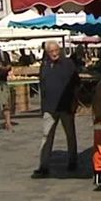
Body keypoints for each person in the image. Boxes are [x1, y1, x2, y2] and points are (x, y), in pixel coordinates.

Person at [32, 41, 79, 178]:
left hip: (65, 106)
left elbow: (76, 84)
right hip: (49, 107)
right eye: (51, 51)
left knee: (70, 135)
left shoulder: (68, 64)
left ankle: (72, 161)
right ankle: (43, 165)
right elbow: (43, 87)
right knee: (46, 136)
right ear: (47, 52)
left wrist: (74, 102)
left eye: (56, 50)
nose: (54, 53)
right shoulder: (44, 65)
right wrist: (43, 107)